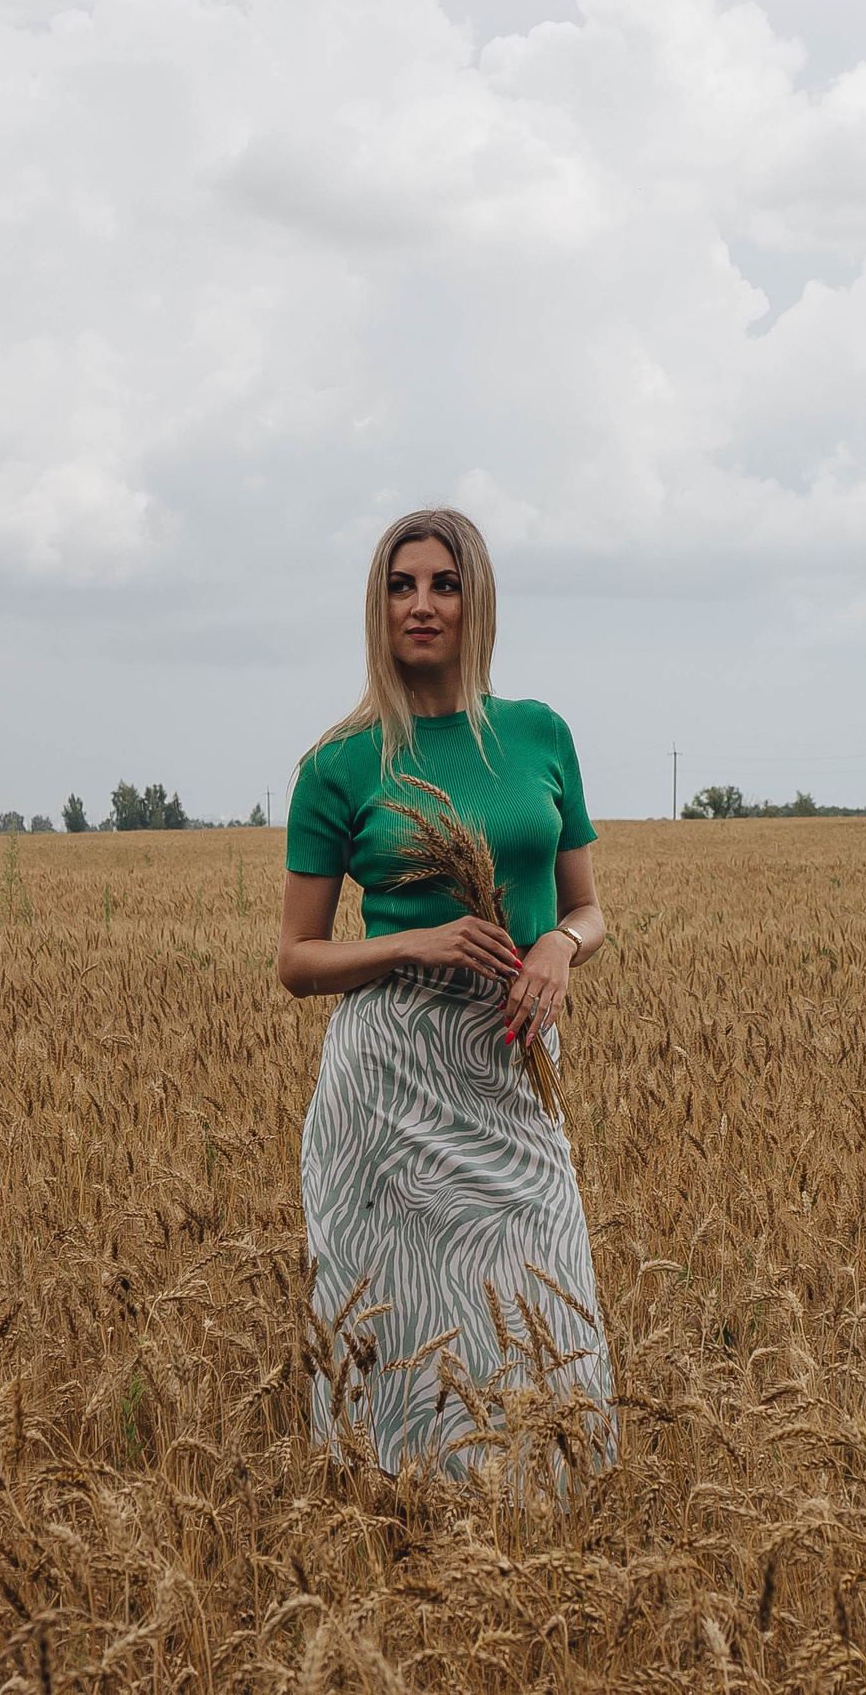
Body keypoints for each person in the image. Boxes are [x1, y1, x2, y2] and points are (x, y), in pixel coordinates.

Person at [276, 506, 613, 1479]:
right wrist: (413, 940)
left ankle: (546, 1547)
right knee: (394, 1328)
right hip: (387, 1085)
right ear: (378, 608)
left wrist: (555, 943)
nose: (421, 605)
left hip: (509, 1066)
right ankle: (401, 1536)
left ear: (477, 603)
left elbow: (591, 912)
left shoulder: (540, 735)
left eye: (444, 583)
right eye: (399, 585)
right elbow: (296, 960)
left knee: (550, 1315)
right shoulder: (338, 765)